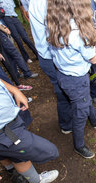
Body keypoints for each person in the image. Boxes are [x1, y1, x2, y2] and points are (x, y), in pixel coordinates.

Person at [0, 49, 59, 183]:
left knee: (1, 152)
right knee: (46, 151)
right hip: (1, 129)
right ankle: (36, 181)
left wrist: (14, 90)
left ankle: (11, 170)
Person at [46, 0, 96, 159]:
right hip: (77, 79)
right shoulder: (78, 33)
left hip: (62, 74)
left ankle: (95, 120)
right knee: (80, 113)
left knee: (82, 99)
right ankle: (79, 145)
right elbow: (93, 59)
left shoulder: (55, 25)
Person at [29, 0, 72, 134]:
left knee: (63, 89)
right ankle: (66, 124)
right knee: (62, 91)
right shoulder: (45, 3)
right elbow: (55, 34)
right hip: (53, 56)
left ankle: (70, 118)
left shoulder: (34, 2)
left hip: (47, 55)